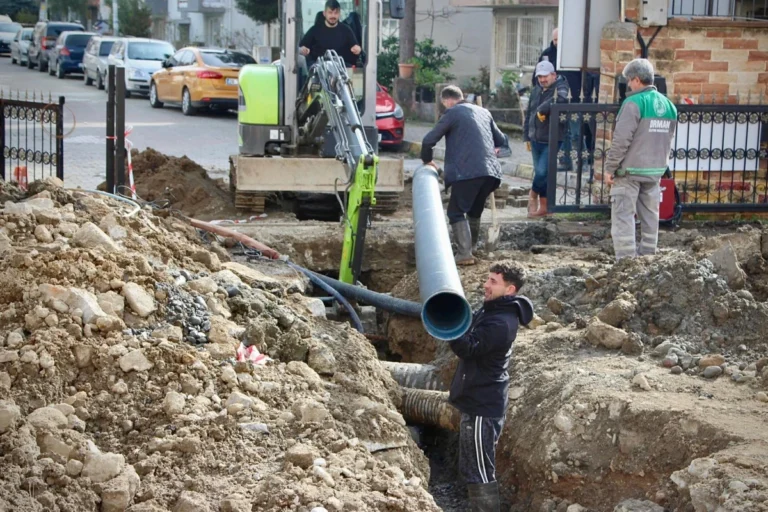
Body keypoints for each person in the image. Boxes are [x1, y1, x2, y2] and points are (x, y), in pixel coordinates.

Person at [447, 261, 534, 512]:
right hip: (476, 401)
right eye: (487, 279)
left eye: (493, 282)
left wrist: (449, 324)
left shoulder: (500, 323)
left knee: (480, 471)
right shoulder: (492, 311)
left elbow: (467, 347)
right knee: (472, 466)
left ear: (510, 290)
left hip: (482, 406)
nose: (485, 285)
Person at [595, 58, 677, 260]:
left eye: (629, 81)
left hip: (629, 172)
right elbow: (667, 139)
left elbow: (621, 140)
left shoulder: (633, 103)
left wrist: (610, 168)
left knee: (623, 216)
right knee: (650, 216)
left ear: (637, 80)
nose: (628, 86)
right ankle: (648, 257)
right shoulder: (669, 106)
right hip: (654, 172)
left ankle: (626, 262)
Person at [421, 86, 507, 265]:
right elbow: (502, 142)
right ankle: (471, 248)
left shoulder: (452, 113)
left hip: (466, 172)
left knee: (456, 211)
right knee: (475, 211)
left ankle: (464, 253)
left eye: (444, 104)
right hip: (491, 173)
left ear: (446, 101)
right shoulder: (484, 112)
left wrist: (427, 160)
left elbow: (428, 140)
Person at [523, 60, 569, 217]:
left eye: (545, 76)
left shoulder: (561, 86)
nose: (542, 80)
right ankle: (544, 208)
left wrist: (542, 109)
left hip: (552, 138)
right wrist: (526, 136)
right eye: (539, 77)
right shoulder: (536, 90)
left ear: (553, 75)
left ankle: (532, 194)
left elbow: (561, 99)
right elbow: (529, 113)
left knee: (542, 172)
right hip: (535, 138)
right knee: (542, 174)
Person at [299, 0, 362, 68]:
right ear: (324, 13)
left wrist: (357, 49)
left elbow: (356, 47)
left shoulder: (347, 30)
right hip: (319, 70)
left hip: (342, 70)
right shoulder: (314, 30)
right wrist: (303, 49)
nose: (333, 16)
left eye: (336, 13)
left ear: (339, 14)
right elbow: (302, 47)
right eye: (330, 12)